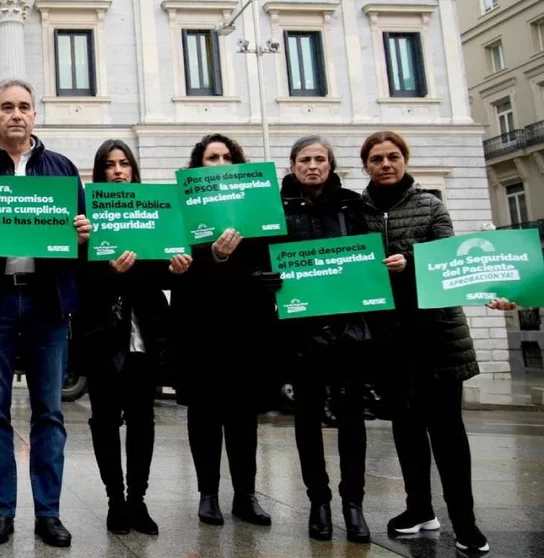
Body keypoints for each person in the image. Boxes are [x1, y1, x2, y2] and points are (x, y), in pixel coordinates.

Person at [0, 79, 91, 548]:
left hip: (47, 302)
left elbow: (82, 244)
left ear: (35, 116)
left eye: (24, 107)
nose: (16, 114)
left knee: (49, 411)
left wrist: (84, 233)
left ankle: (48, 512)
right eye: (6, 107)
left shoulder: (62, 170)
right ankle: (0, 510)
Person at [359, 130, 489, 554]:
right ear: (366, 166)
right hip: (391, 340)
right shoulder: (358, 211)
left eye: (393, 156)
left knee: (449, 434)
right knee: (407, 431)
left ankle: (465, 523)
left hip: (438, 337)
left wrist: (409, 260)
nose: (386, 164)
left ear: (405, 160)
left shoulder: (431, 204)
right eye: (377, 158)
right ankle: (419, 508)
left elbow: (448, 258)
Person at [76, 139, 191, 536]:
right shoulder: (87, 217)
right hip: (102, 333)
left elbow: (161, 271)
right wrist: (105, 265)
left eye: (124, 163)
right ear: (99, 171)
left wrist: (176, 269)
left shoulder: (153, 211)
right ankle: (115, 500)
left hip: (146, 333)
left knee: (143, 420)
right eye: (110, 165)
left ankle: (138, 501)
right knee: (105, 420)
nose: (118, 170)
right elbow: (77, 276)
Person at [170, 133, 278, 528]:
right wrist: (212, 254)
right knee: (204, 412)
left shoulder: (257, 203)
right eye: (210, 158)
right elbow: (172, 255)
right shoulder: (182, 205)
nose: (218, 163)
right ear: (198, 166)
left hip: (244, 321)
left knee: (242, 414)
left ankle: (246, 495)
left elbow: (272, 252)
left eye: (225, 157)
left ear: (237, 164)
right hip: (199, 322)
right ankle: (208, 494)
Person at [279, 135, 371, 543]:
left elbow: (371, 259)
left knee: (352, 420)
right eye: (304, 159)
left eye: (319, 159)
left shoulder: (353, 206)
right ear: (294, 165)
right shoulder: (277, 210)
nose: (312, 166)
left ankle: (354, 504)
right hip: (301, 334)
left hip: (349, 332)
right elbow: (266, 259)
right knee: (307, 420)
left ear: (331, 164)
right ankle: (319, 501)